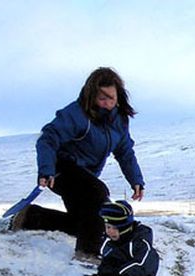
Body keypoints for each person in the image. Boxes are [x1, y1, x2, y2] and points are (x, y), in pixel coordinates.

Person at [9, 67, 145, 264]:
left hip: (85, 175)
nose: (107, 103)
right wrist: (46, 170)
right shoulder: (77, 114)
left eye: (111, 98)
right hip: (61, 169)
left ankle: (31, 217)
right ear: (91, 96)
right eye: (102, 98)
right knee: (98, 192)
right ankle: (87, 254)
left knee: (92, 223)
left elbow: (125, 152)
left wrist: (136, 180)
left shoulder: (119, 120)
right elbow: (47, 139)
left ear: (119, 95)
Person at [53, 200, 160, 276]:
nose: (109, 231)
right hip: (115, 275)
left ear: (124, 227)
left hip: (138, 275)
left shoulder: (140, 241)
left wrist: (118, 274)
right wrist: (106, 271)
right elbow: (107, 259)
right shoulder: (109, 241)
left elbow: (141, 264)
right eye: (107, 227)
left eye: (114, 228)